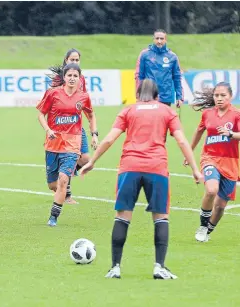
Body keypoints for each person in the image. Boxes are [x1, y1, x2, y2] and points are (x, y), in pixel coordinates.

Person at [80, 79, 203, 279]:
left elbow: (110, 138)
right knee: (161, 217)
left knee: (122, 217)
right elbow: (181, 140)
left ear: (137, 95)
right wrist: (195, 170)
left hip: (129, 167)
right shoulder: (167, 111)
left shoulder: (128, 111)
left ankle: (115, 268)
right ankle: (159, 267)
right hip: (157, 168)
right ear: (157, 96)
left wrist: (92, 161)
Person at [37, 63, 97, 227]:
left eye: (75, 76)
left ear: (79, 78)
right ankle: (63, 185)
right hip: (53, 143)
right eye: (69, 75)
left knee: (63, 180)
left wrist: (94, 135)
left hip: (73, 143)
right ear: (64, 77)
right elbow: (41, 114)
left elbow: (91, 115)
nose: (72, 78)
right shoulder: (52, 94)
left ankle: (53, 217)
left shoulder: (83, 97)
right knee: (53, 185)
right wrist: (48, 129)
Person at [185, 82, 240, 242]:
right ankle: (202, 226)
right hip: (210, 158)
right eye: (216, 95)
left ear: (231, 97)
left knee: (221, 206)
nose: (219, 98)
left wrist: (231, 133)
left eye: (223, 95)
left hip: (230, 162)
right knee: (211, 190)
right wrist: (189, 152)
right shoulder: (208, 114)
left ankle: (208, 230)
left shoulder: (236, 115)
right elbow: (199, 132)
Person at [51, 48, 98, 204]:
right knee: (68, 161)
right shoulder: (58, 81)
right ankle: (66, 194)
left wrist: (94, 132)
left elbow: (85, 105)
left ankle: (63, 180)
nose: (74, 62)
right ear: (66, 60)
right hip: (61, 129)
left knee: (85, 159)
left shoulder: (81, 79)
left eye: (77, 60)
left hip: (77, 127)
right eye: (72, 59)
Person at [135, 29, 183, 107]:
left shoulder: (172, 57)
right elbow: (140, 76)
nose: (159, 41)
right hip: (149, 96)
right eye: (157, 38)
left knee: (164, 119)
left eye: (162, 39)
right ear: (153, 39)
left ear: (166, 40)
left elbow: (177, 78)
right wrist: (138, 94)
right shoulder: (145, 55)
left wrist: (179, 97)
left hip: (166, 97)